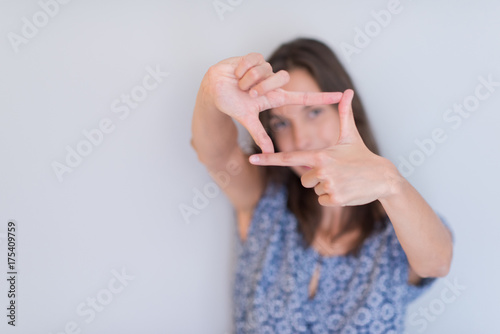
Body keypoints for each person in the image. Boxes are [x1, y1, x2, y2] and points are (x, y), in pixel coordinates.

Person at [191, 38, 453, 333]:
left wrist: (391, 184)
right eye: (280, 123)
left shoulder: (394, 227)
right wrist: (210, 91)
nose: (300, 139)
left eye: (314, 112)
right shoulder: (264, 199)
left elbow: (437, 263)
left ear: (348, 112)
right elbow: (216, 154)